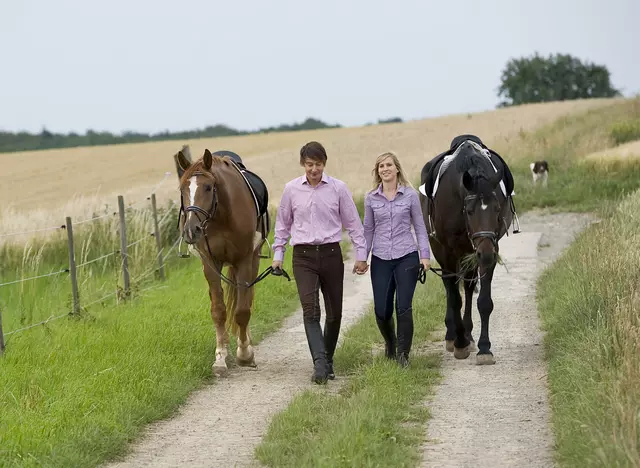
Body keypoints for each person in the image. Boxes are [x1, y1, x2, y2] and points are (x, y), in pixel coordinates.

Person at [272, 141, 368, 384]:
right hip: (303, 256)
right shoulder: (291, 190)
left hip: (331, 254)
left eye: (318, 164)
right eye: (309, 164)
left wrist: (361, 255)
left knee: (334, 312)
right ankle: (320, 364)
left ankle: (327, 360)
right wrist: (278, 256)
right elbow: (282, 226)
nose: (314, 169)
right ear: (303, 164)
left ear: (324, 164)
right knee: (311, 310)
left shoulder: (338, 188)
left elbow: (354, 224)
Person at [363, 151, 431, 367]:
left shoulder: (410, 195)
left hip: (407, 257)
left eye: (389, 165)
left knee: (403, 306)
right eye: (381, 166)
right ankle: (390, 343)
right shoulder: (371, 198)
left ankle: (403, 355)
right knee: (381, 310)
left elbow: (420, 227)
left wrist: (425, 256)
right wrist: (361, 258)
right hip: (381, 257)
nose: (385, 169)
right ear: (378, 171)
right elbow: (368, 230)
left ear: (397, 168)